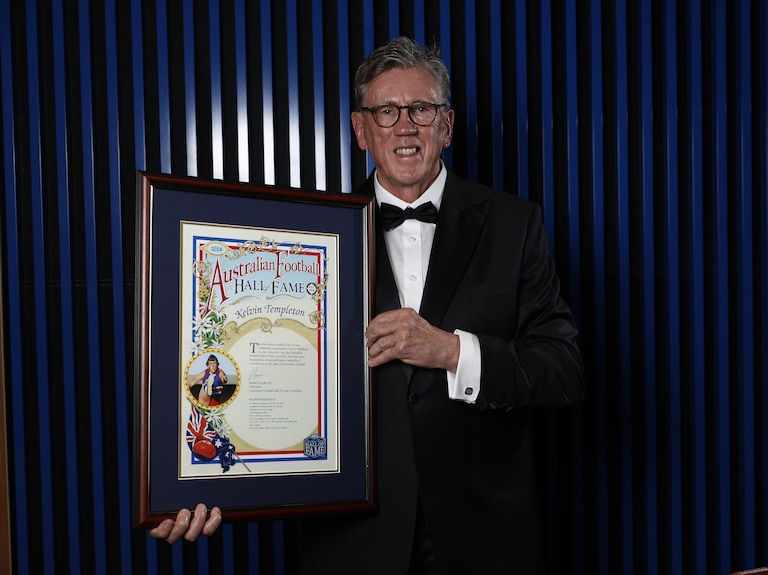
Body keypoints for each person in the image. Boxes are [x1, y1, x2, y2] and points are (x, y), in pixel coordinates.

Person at [150, 36, 585, 574]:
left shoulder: (516, 223)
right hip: (354, 540)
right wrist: (198, 480)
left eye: (421, 109)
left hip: (485, 536)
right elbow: (249, 372)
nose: (406, 126)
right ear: (361, 130)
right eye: (386, 111)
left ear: (446, 126)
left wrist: (451, 351)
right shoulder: (307, 240)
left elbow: (564, 373)